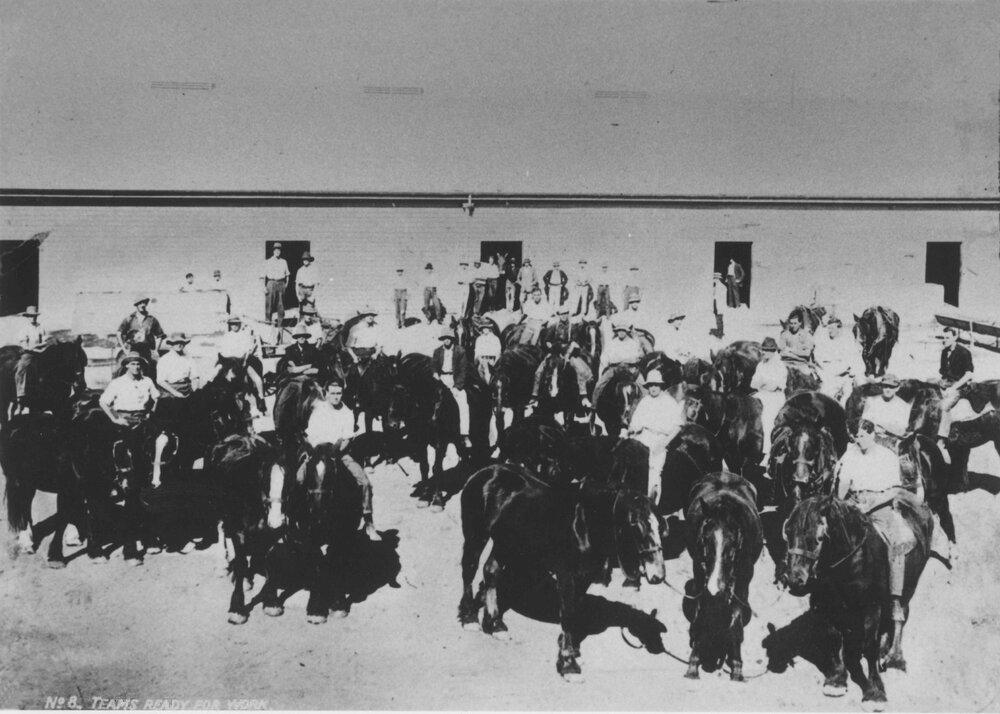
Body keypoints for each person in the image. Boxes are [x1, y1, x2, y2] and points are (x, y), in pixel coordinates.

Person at [836, 419, 925, 631]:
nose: (859, 441)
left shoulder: (887, 457)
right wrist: (839, 506)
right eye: (856, 437)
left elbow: (894, 490)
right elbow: (843, 483)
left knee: (895, 542)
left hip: (880, 504)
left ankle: (895, 598)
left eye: (862, 436)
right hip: (854, 502)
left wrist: (874, 503)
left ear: (872, 434)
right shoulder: (850, 455)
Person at [301, 381, 380, 540]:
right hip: (316, 452)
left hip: (338, 453)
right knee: (298, 476)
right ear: (327, 393)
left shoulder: (347, 413)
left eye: (339, 393)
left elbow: (347, 440)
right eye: (333, 393)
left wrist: (334, 451)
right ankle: (291, 515)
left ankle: (368, 521)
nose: (336, 397)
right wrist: (314, 450)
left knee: (364, 482)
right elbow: (310, 434)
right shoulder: (318, 410)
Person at [628, 368, 685, 502]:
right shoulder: (644, 401)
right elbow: (635, 423)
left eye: (656, 385)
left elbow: (678, 425)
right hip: (643, 436)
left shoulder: (669, 402)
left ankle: (652, 503)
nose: (653, 388)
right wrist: (631, 429)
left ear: (660, 386)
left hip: (660, 438)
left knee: (654, 469)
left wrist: (664, 442)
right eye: (650, 385)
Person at [100, 352, 159, 475]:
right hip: (124, 419)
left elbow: (156, 397)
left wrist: (150, 413)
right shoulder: (117, 383)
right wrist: (115, 419)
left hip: (141, 418)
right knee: (125, 445)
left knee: (158, 440)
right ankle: (120, 471)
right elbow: (103, 402)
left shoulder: (147, 381)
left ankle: (151, 470)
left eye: (138, 364)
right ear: (126, 365)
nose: (136, 367)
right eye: (133, 364)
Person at [531, 307, 593, 410]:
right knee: (539, 371)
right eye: (561, 314)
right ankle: (535, 396)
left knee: (580, 370)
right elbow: (547, 340)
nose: (563, 316)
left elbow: (574, 341)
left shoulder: (573, 327)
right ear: (558, 315)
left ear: (568, 314)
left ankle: (584, 396)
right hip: (555, 351)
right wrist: (552, 347)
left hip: (568, 351)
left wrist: (568, 352)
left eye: (565, 313)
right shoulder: (553, 327)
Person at [216, 315, 267, 415]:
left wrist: (244, 361)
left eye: (235, 324)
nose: (234, 326)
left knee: (257, 379)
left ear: (239, 324)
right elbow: (222, 349)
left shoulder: (244, 335)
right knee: (217, 374)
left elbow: (247, 350)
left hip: (241, 361)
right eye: (232, 324)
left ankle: (261, 398)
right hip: (229, 362)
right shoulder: (227, 336)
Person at [937, 326, 974, 460]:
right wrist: (941, 382)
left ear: (955, 337)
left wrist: (953, 388)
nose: (944, 340)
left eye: (947, 338)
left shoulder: (964, 352)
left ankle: (942, 440)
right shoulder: (944, 352)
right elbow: (943, 372)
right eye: (943, 337)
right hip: (947, 382)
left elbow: (969, 374)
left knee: (945, 406)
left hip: (961, 386)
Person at [432, 327, 470, 439]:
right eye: (444, 338)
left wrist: (457, 386)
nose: (446, 340)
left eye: (448, 338)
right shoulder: (437, 351)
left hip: (454, 379)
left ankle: (464, 433)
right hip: (442, 379)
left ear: (452, 339)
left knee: (463, 403)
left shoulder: (460, 351)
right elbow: (433, 365)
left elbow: (463, 370)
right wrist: (434, 373)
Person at [814, 317, 863, 402]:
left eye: (832, 328)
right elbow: (818, 361)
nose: (830, 331)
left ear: (839, 328)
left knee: (848, 398)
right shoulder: (823, 344)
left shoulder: (847, 343)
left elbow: (855, 360)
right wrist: (824, 375)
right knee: (826, 400)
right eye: (829, 328)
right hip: (829, 377)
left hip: (845, 377)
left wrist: (852, 373)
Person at [860, 373, 912, 451]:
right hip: (872, 440)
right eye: (885, 386)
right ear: (881, 387)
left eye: (891, 387)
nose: (888, 389)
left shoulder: (904, 406)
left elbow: (901, 430)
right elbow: (864, 423)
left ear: (897, 388)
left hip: (891, 443)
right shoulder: (871, 401)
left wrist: (883, 427)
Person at [117, 296, 166, 377]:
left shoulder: (152, 320)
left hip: (146, 350)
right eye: (140, 303)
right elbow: (119, 333)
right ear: (136, 305)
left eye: (144, 303)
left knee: (150, 371)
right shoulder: (129, 319)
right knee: (121, 369)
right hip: (131, 349)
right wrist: (124, 349)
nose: (142, 305)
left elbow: (160, 336)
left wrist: (156, 350)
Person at [13, 305, 47, 412]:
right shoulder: (25, 329)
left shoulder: (41, 327)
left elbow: (45, 340)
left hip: (41, 352)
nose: (33, 318)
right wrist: (34, 348)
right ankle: (21, 394)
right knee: (22, 367)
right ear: (27, 317)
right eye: (30, 316)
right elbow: (24, 345)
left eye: (34, 316)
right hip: (29, 353)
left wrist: (42, 347)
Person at [156, 332, 196, 398]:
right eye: (176, 342)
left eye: (181, 342)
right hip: (170, 390)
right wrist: (176, 393)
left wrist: (195, 391)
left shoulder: (189, 358)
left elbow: (195, 377)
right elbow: (160, 381)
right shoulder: (164, 359)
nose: (179, 345)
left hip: (187, 388)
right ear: (172, 344)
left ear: (184, 344)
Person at [261, 243, 290, 328]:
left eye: (279, 250)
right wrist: (263, 287)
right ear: (273, 251)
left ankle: (280, 327)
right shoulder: (268, 262)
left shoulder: (283, 262)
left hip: (281, 284)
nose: (277, 252)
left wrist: (286, 285)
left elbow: (287, 275)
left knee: (281, 307)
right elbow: (262, 276)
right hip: (271, 283)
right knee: (269, 306)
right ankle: (267, 325)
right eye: (276, 250)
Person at [348, 308, 383, 374]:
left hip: (372, 354)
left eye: (372, 315)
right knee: (355, 376)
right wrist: (354, 357)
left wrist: (376, 354)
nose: (370, 317)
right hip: (359, 355)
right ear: (363, 317)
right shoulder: (355, 328)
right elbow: (349, 347)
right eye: (368, 315)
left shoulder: (377, 328)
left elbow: (379, 345)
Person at [295, 252, 318, 316]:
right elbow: (297, 284)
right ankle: (302, 324)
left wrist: (313, 296)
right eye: (304, 259)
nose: (305, 261)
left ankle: (310, 324)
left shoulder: (314, 270)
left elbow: (317, 284)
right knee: (302, 311)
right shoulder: (300, 270)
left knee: (310, 311)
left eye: (307, 259)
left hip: (310, 291)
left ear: (310, 260)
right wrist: (298, 295)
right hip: (302, 291)